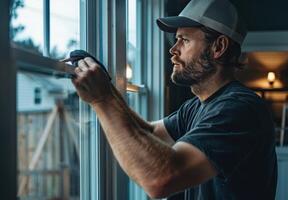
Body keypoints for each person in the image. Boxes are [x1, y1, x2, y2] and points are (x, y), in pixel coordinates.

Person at [71, 0, 277, 199]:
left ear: (218, 47)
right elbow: (148, 133)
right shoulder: (197, 107)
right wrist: (107, 88)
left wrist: (103, 100)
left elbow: (159, 178)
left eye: (185, 40)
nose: (173, 49)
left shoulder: (239, 109)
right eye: (176, 39)